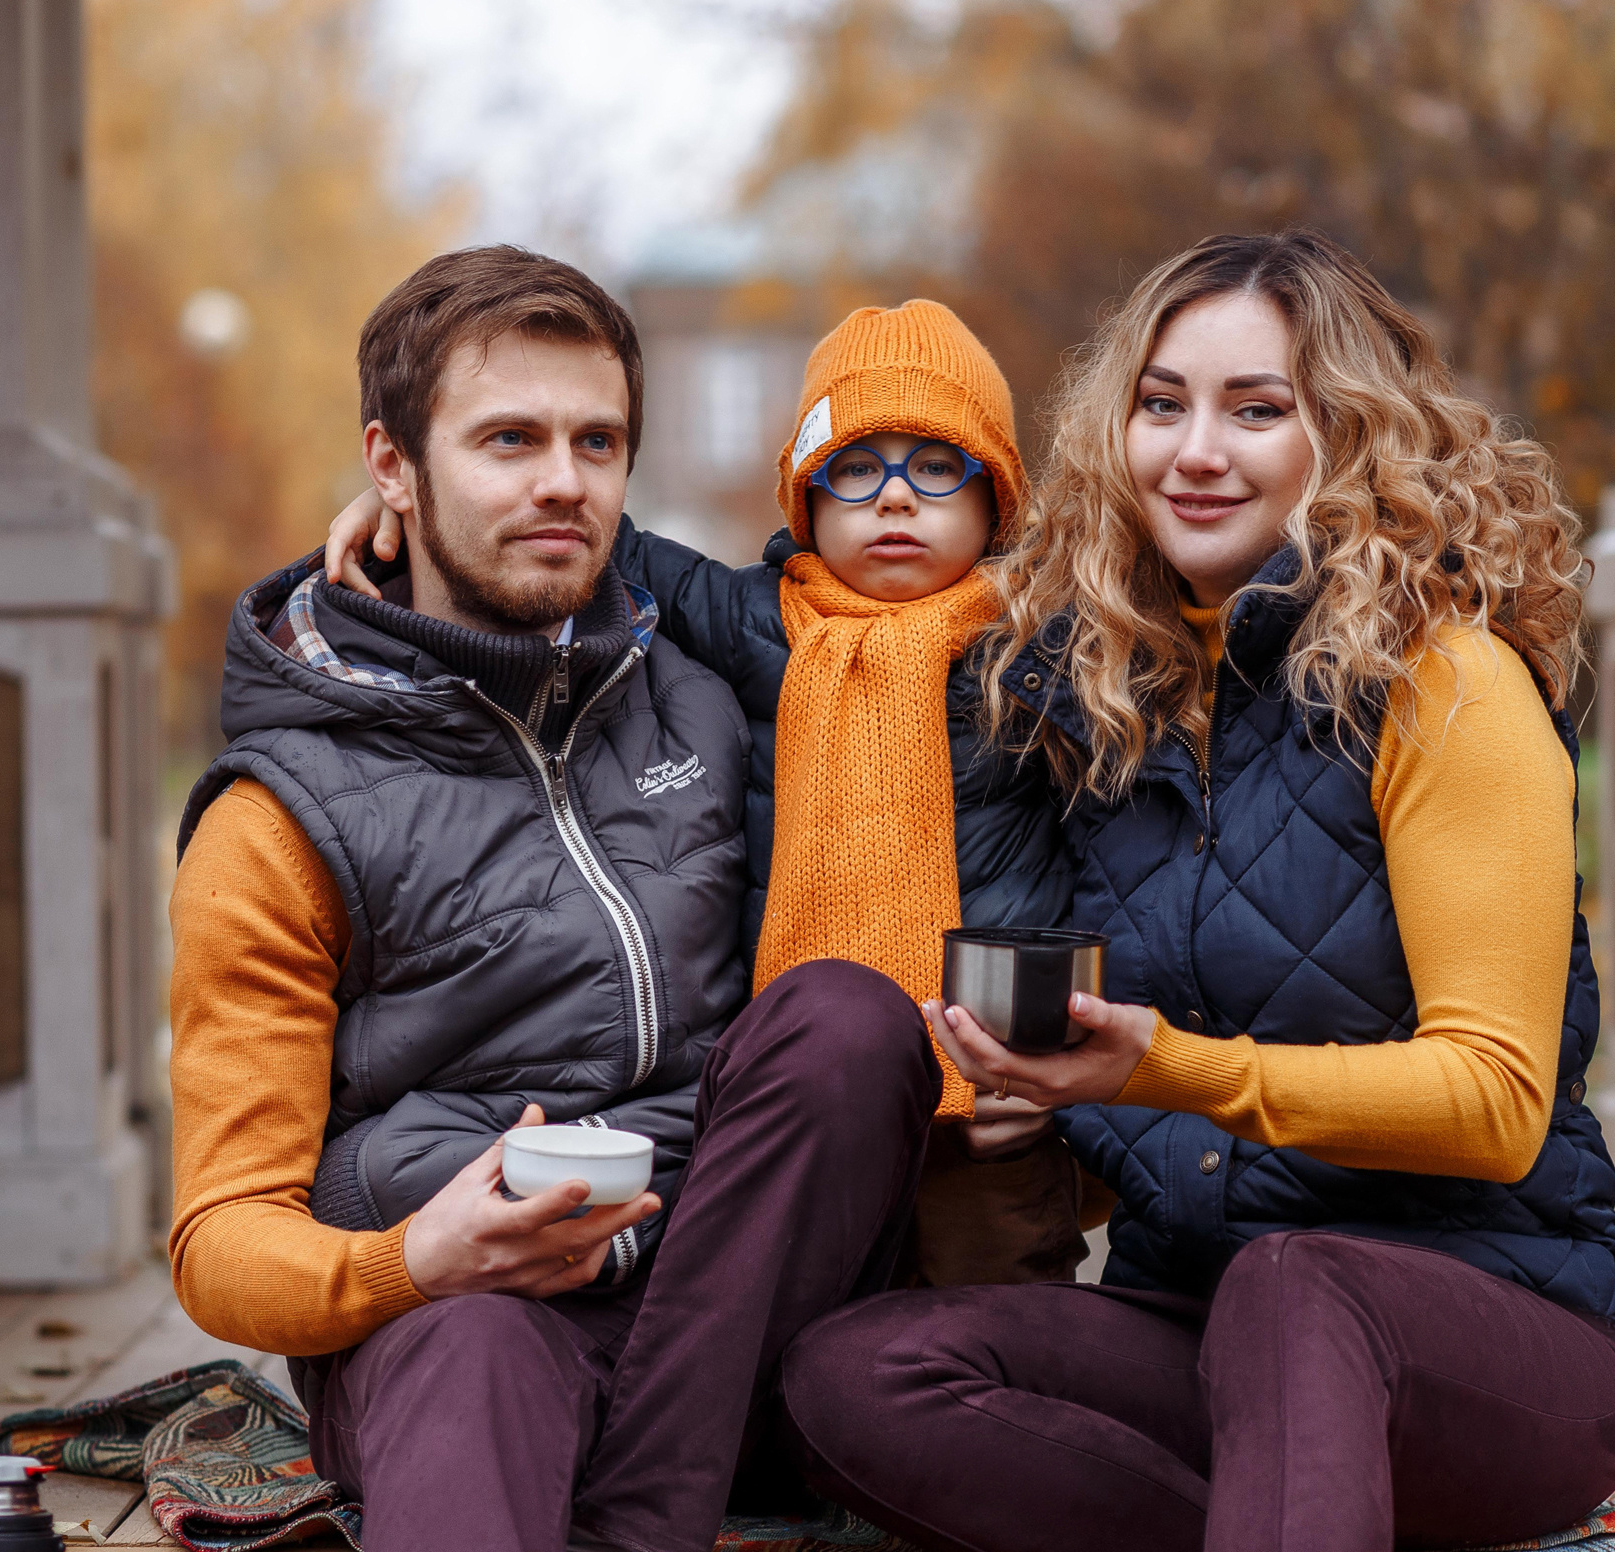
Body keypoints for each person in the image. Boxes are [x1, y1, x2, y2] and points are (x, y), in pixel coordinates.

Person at [777, 230, 1615, 1552]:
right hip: (1197, 1316)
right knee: (855, 1369)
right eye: (1161, 403)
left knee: (1298, 1288)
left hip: (1501, 1338)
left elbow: (1494, 1103)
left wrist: (1161, 1068)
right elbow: (1157, 1107)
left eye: (1256, 409)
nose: (1195, 450)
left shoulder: (1447, 681)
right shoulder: (1096, 698)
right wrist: (1038, 1110)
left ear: (1349, 436)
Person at [168, 245, 946, 1552]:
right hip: (471, 1325)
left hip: (738, 1308)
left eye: (597, 441)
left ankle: (624, 1529)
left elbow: (967, 630)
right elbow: (223, 1237)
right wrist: (412, 1259)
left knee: (846, 1019)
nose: (563, 482)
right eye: (507, 440)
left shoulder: (706, 700)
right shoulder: (283, 815)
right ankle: (607, 1537)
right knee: (474, 1346)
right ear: (391, 464)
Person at [326, 299, 1085, 1287]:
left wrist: (1066, 1065)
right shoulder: (756, 622)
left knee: (992, 1313)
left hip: (988, 1096)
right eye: (856, 469)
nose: (895, 499)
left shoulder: (1040, 647)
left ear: (997, 502)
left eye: (937, 468)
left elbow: (1128, 846)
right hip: (800, 1090)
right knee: (811, 1305)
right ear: (806, 500)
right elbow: (583, 537)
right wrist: (399, 506)